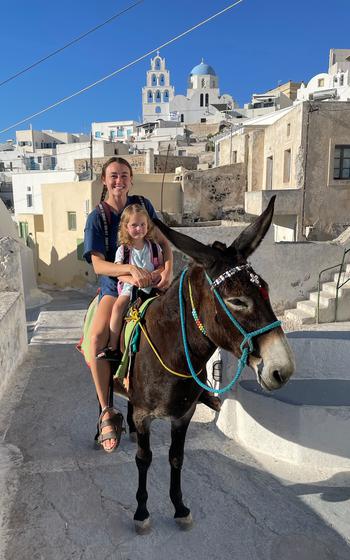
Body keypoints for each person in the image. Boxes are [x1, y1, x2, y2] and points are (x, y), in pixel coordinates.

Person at [83, 157, 173, 453]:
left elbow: (163, 241)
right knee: (95, 340)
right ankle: (106, 410)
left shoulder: (142, 205)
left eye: (124, 175)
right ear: (104, 180)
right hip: (116, 286)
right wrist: (128, 271)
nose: (118, 180)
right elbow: (98, 265)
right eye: (113, 176)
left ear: (131, 179)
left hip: (150, 281)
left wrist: (167, 271)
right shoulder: (97, 217)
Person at [96, 203, 164, 362]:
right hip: (130, 287)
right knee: (118, 307)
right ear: (126, 227)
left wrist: (155, 273)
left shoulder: (154, 247)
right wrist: (133, 281)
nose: (139, 229)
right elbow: (119, 273)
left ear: (148, 226)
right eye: (134, 225)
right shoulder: (123, 250)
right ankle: (113, 347)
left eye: (142, 225)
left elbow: (161, 266)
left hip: (152, 287)